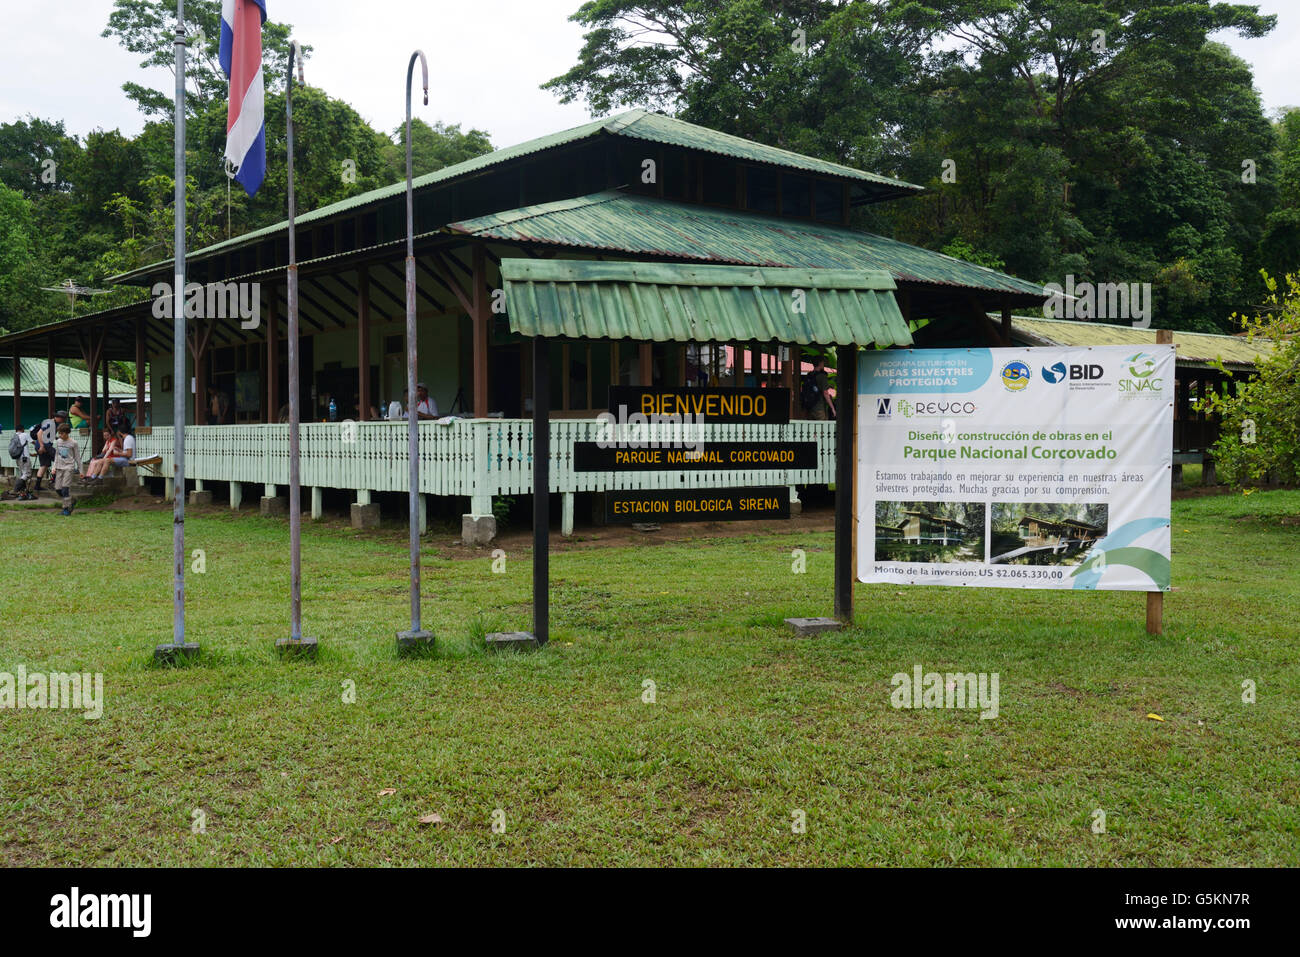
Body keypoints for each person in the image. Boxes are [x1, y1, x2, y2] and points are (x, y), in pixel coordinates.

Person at [31, 409, 68, 493]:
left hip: (44, 445)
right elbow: (39, 433)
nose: (63, 420)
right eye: (63, 419)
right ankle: (53, 482)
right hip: (44, 445)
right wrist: (41, 446)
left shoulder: (54, 423)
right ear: (58, 417)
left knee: (44, 465)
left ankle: (37, 486)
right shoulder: (50, 423)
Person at [51, 423, 83, 516]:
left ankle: (66, 509)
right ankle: (71, 500)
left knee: (65, 489)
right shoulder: (58, 442)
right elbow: (56, 455)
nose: (59, 435)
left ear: (67, 433)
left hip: (69, 467)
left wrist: (81, 471)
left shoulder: (73, 443)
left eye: (61, 433)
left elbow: (77, 457)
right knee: (57, 489)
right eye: (59, 433)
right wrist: (54, 467)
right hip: (59, 467)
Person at [7, 424, 35, 500]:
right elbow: (34, 443)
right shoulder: (25, 434)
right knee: (27, 474)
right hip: (25, 458)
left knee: (23, 473)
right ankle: (15, 489)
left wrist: (31, 454)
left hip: (18, 458)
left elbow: (20, 448)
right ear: (22, 429)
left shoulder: (14, 436)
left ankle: (23, 492)